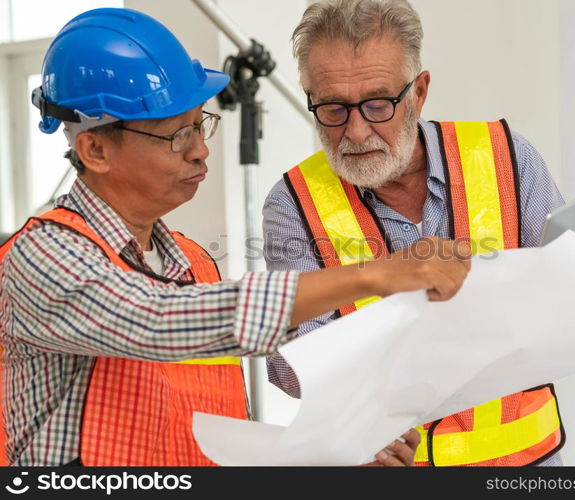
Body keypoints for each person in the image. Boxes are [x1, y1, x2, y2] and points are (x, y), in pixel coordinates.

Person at [0, 7, 472, 467]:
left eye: (201, 125)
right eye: (178, 135)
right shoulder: (42, 258)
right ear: (96, 149)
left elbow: (217, 441)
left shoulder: (193, 264)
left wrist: (339, 457)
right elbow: (161, 321)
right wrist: (376, 276)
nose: (202, 151)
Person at [263, 0, 575, 467]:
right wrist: (352, 419)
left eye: (378, 104)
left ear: (419, 92)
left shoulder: (508, 159)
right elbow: (291, 365)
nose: (356, 132)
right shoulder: (294, 203)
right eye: (332, 108)